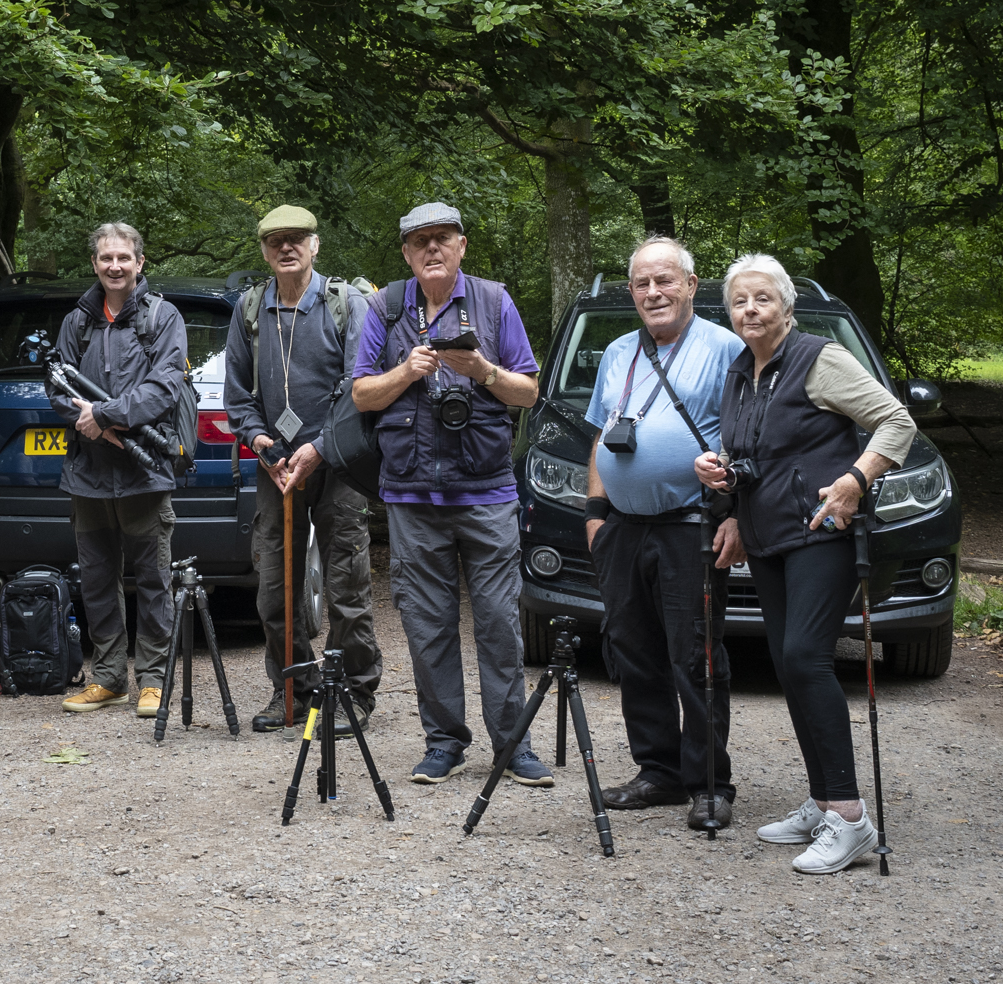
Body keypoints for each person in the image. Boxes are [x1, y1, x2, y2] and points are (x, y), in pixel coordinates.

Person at [696, 254, 915, 874]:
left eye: (762, 298)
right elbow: (753, 455)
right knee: (792, 667)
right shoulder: (741, 373)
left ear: (786, 306)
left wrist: (854, 480)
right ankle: (823, 801)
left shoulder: (820, 359)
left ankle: (849, 817)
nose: (750, 310)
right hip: (767, 539)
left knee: (803, 658)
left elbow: (894, 421)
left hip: (823, 532)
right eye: (739, 301)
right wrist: (729, 498)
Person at [351, 202, 551, 788]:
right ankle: (444, 743)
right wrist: (407, 373)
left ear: (462, 245)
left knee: (498, 624)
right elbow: (362, 395)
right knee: (427, 625)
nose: (432, 250)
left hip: (486, 494)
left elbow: (528, 392)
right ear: (407, 255)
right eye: (420, 243)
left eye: (443, 239)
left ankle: (513, 746)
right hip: (412, 498)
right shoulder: (384, 308)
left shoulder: (493, 302)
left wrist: (482, 370)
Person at [583, 236, 744, 830]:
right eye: (643, 283)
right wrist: (595, 514)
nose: (654, 292)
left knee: (697, 656)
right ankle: (658, 771)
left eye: (665, 280)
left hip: (690, 527)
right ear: (632, 292)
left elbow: (749, 441)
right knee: (635, 653)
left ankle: (708, 783)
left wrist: (735, 515)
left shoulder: (726, 349)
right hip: (623, 528)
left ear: (691, 285)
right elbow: (601, 435)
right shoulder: (618, 351)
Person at [224, 204, 380, 734]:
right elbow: (237, 396)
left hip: (338, 465)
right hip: (278, 471)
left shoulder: (345, 303)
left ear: (315, 245)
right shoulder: (249, 309)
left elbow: (359, 387)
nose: (286, 248)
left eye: (297, 239)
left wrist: (317, 448)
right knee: (274, 586)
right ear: (265, 252)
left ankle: (352, 693)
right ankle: (292, 690)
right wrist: (261, 442)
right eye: (276, 241)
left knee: (345, 584)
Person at [49, 222, 189, 719]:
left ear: (139, 263)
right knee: (96, 578)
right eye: (106, 258)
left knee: (153, 578)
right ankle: (109, 678)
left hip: (143, 471)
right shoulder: (78, 320)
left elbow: (165, 386)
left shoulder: (162, 317)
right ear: (95, 264)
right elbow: (57, 384)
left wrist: (106, 417)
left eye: (124, 258)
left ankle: (153, 680)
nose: (115, 266)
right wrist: (85, 421)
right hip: (87, 472)